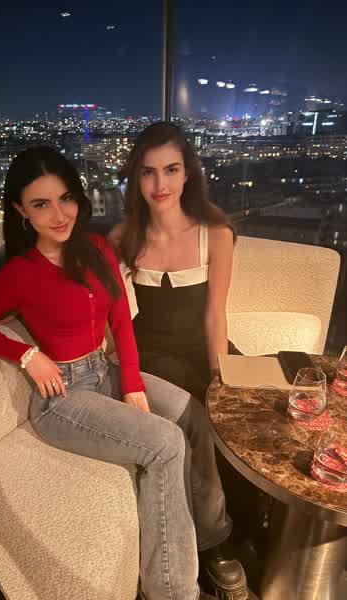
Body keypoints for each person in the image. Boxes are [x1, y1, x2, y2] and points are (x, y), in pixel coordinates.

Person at [0, 146, 221, 600]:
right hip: (62, 396)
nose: (59, 214)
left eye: (65, 198)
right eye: (41, 204)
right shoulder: (20, 272)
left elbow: (120, 320)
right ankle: (173, 591)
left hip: (103, 369)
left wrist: (132, 383)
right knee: (165, 443)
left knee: (190, 413)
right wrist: (27, 355)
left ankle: (210, 540)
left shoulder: (95, 248)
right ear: (20, 210)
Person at [109, 122, 250, 599]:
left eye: (171, 170)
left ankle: (252, 525)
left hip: (200, 346)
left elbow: (215, 314)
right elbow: (114, 314)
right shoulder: (123, 236)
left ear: (188, 173)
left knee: (244, 409)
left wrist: (219, 376)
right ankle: (214, 544)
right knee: (197, 421)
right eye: (147, 172)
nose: (160, 184)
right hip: (149, 354)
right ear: (135, 178)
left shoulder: (216, 233)